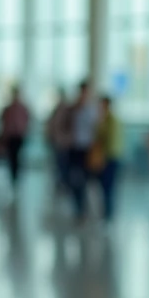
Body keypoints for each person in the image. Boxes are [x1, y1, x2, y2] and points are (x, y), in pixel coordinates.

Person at [66, 81, 100, 218]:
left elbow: (97, 129)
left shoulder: (93, 110)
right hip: (75, 147)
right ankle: (78, 208)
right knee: (74, 179)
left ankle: (86, 208)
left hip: (88, 149)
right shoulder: (72, 109)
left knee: (88, 180)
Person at [92, 96, 124, 222]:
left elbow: (107, 141)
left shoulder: (111, 121)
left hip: (110, 158)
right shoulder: (107, 120)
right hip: (110, 156)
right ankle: (107, 213)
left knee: (108, 187)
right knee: (106, 187)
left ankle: (108, 215)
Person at [0, 86, 31, 183]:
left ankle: (17, 176)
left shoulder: (23, 108)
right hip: (10, 136)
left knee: (17, 156)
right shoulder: (8, 109)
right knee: (11, 157)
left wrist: (25, 132)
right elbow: (3, 122)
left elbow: (27, 121)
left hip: (19, 136)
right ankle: (13, 176)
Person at [45, 90, 73, 193]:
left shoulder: (66, 110)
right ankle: (61, 182)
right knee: (59, 164)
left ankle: (63, 183)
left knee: (63, 164)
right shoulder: (57, 109)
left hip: (63, 142)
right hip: (57, 142)